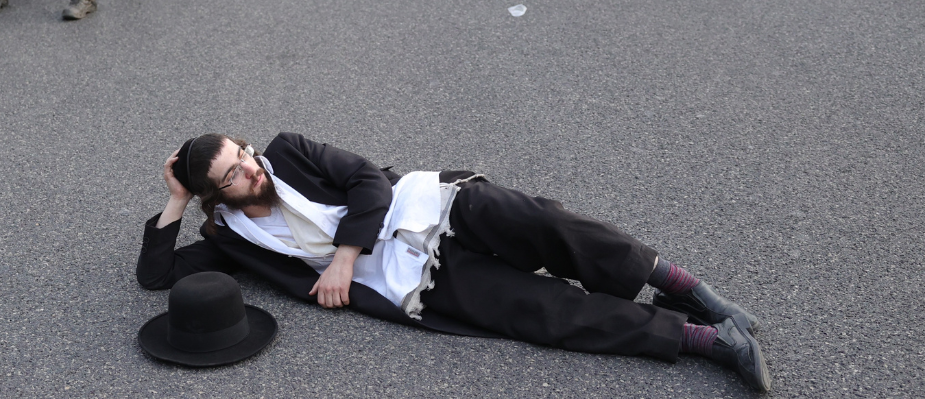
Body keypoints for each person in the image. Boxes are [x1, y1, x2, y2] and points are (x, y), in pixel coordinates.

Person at [137, 132, 772, 392]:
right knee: (540, 311)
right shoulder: (231, 237)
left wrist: (343, 258)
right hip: (408, 280)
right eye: (233, 174)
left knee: (549, 224)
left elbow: (366, 182)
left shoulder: (288, 151)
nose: (251, 167)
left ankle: (688, 288)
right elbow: (157, 276)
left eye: (242, 154)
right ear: (216, 195)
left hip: (427, 207)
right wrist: (174, 199)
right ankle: (708, 341)